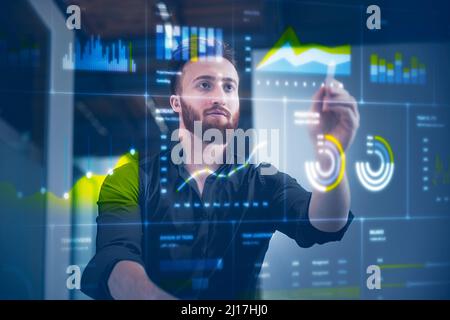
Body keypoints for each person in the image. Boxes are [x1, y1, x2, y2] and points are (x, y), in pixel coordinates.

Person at [81, 40, 359, 300]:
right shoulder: (130, 179)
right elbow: (116, 262)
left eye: (229, 87)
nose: (220, 97)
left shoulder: (262, 181)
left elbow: (325, 222)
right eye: (204, 85)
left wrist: (330, 155)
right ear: (176, 102)